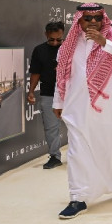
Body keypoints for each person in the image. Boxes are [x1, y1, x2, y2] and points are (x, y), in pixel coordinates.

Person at [52, 3, 112, 219]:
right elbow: (62, 76)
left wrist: (104, 43)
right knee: (77, 152)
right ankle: (78, 197)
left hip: (110, 109)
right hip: (77, 108)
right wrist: (58, 102)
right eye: (88, 18)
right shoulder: (69, 45)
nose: (93, 22)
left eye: (97, 18)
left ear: (103, 20)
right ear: (79, 20)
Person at [27, 22, 66, 169]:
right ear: (46, 35)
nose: (55, 43)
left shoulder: (70, 48)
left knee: (77, 126)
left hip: (70, 93)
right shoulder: (39, 50)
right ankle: (55, 156)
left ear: (63, 34)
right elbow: (35, 72)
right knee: (51, 127)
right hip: (48, 93)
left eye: (58, 39)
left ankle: (81, 156)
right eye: (51, 40)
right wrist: (31, 91)